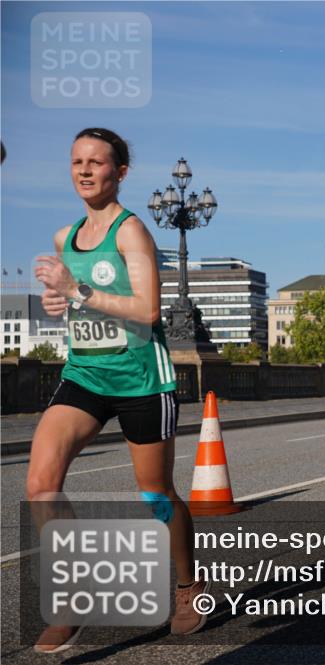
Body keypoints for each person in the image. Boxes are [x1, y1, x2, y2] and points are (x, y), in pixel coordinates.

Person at [28, 128, 207, 653]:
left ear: (120, 172)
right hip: (84, 375)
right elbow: (73, 298)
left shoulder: (132, 233)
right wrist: (58, 303)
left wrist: (76, 290)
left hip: (141, 380)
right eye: (76, 161)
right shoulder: (66, 236)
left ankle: (187, 586)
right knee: (40, 482)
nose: (84, 171)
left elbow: (150, 310)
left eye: (97, 163)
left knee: (155, 495)